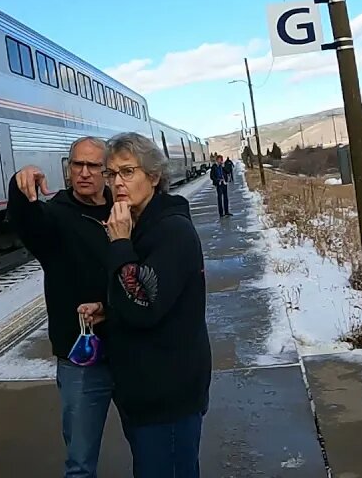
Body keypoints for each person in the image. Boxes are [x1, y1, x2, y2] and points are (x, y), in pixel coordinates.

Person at [80, 132, 211, 478]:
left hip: (166, 396)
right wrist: (110, 309)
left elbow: (144, 303)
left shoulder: (171, 232)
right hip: (144, 395)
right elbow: (149, 297)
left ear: (153, 177)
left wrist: (120, 243)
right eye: (111, 174)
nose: (116, 183)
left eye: (127, 172)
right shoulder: (141, 226)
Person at [6, 136, 114, 478]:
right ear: (67, 169)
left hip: (133, 349)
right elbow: (29, 223)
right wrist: (20, 185)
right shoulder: (55, 216)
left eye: (93, 165)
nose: (83, 173)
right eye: (76, 165)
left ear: (106, 171)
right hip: (82, 358)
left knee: (151, 451)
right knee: (80, 464)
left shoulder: (125, 209)